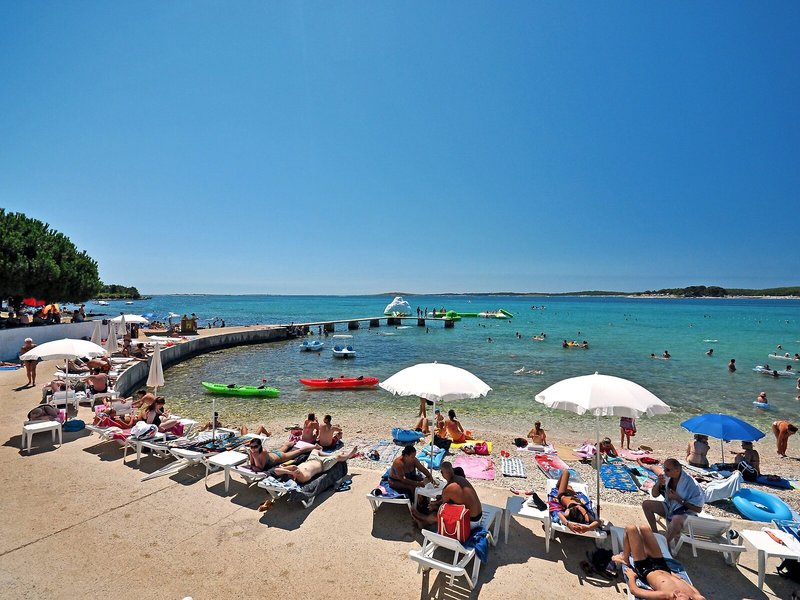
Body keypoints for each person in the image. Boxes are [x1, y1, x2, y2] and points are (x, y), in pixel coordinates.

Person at [612, 525, 706, 600]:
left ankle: (625, 557)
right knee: (645, 528)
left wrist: (631, 577)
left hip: (645, 568)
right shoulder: (696, 596)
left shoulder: (666, 595)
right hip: (662, 566)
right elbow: (693, 589)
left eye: (675, 598)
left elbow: (634, 591)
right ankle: (645, 550)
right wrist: (678, 578)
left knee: (630, 528)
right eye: (680, 597)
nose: (677, 595)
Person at [642, 459, 704, 547]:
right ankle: (655, 534)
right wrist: (659, 483)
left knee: (676, 519)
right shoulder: (667, 476)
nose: (664, 471)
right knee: (647, 504)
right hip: (670, 507)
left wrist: (678, 499)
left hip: (685, 513)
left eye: (667, 469)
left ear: (677, 470)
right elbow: (654, 494)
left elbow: (698, 509)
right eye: (664, 468)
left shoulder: (692, 485)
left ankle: (664, 545)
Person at [411, 461, 483, 530]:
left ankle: (423, 519)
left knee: (435, 515)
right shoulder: (461, 479)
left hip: (470, 522)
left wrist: (435, 506)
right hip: (479, 516)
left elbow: (443, 510)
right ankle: (424, 522)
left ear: (442, 473)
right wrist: (437, 502)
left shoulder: (448, 488)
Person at [548, 469, 601, 534]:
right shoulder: (585, 515)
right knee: (569, 487)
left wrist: (568, 524)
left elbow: (559, 514)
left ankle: (559, 485)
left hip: (563, 495)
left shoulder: (570, 512)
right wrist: (588, 527)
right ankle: (565, 486)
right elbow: (598, 522)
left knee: (566, 473)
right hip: (574, 496)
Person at [272, 446, 358, 484]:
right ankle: (349, 455)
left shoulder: (292, 473)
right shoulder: (302, 478)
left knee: (315, 450)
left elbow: (276, 470)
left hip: (311, 459)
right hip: (323, 464)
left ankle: (331, 455)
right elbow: (295, 468)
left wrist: (289, 471)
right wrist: (292, 471)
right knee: (338, 457)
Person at [246, 437, 319, 472]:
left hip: (280, 457)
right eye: (251, 447)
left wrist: (255, 457)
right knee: (285, 446)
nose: (253, 449)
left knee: (299, 451)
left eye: (255, 446)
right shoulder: (251, 451)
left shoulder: (263, 452)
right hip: (274, 453)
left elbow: (260, 468)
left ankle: (315, 446)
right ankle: (293, 442)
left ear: (260, 446)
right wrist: (253, 459)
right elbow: (252, 464)